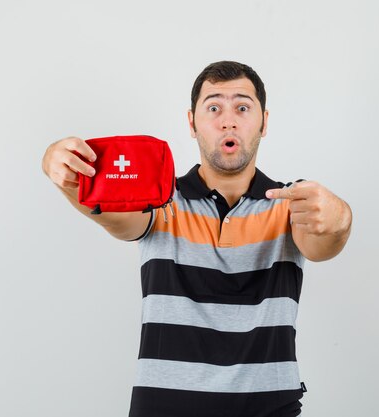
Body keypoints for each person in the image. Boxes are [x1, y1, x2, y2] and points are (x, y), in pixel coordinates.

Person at [41, 61, 352, 417]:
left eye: (243, 107)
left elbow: (322, 243)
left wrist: (339, 218)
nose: (228, 120)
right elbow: (116, 219)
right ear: (192, 123)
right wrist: (65, 175)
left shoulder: (291, 202)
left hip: (270, 408)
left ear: (264, 122)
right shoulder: (160, 200)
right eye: (214, 107)